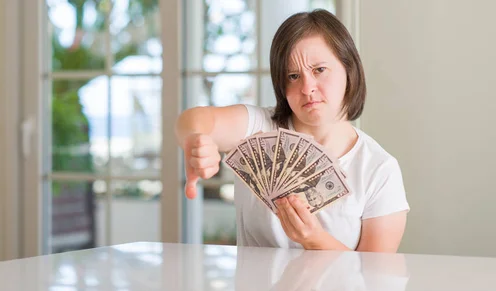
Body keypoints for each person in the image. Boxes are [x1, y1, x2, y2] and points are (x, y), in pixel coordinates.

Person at [174, 9, 409, 252]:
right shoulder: (258, 128)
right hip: (254, 290)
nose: (307, 88)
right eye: (293, 76)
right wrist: (195, 139)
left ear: (348, 70)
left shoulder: (380, 170)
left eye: (319, 70)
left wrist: (314, 240)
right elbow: (196, 118)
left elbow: (371, 280)